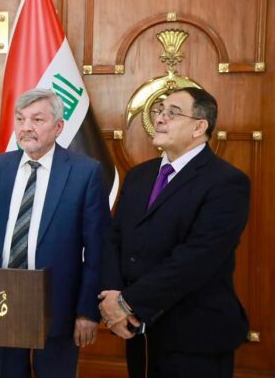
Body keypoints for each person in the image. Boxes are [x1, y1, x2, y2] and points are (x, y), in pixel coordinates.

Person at [99, 87, 250, 378]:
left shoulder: (227, 182)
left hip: (195, 337)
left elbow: (197, 259)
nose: (159, 118)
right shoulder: (140, 175)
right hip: (137, 330)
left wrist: (128, 302)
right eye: (159, 110)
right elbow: (114, 239)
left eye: (173, 113)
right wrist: (113, 301)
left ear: (199, 127)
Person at [0, 89, 110, 378]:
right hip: (2, 302)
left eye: (37, 119)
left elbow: (98, 250)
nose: (26, 127)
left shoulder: (85, 173)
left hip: (59, 307)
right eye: (20, 119)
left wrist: (87, 311)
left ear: (58, 127)